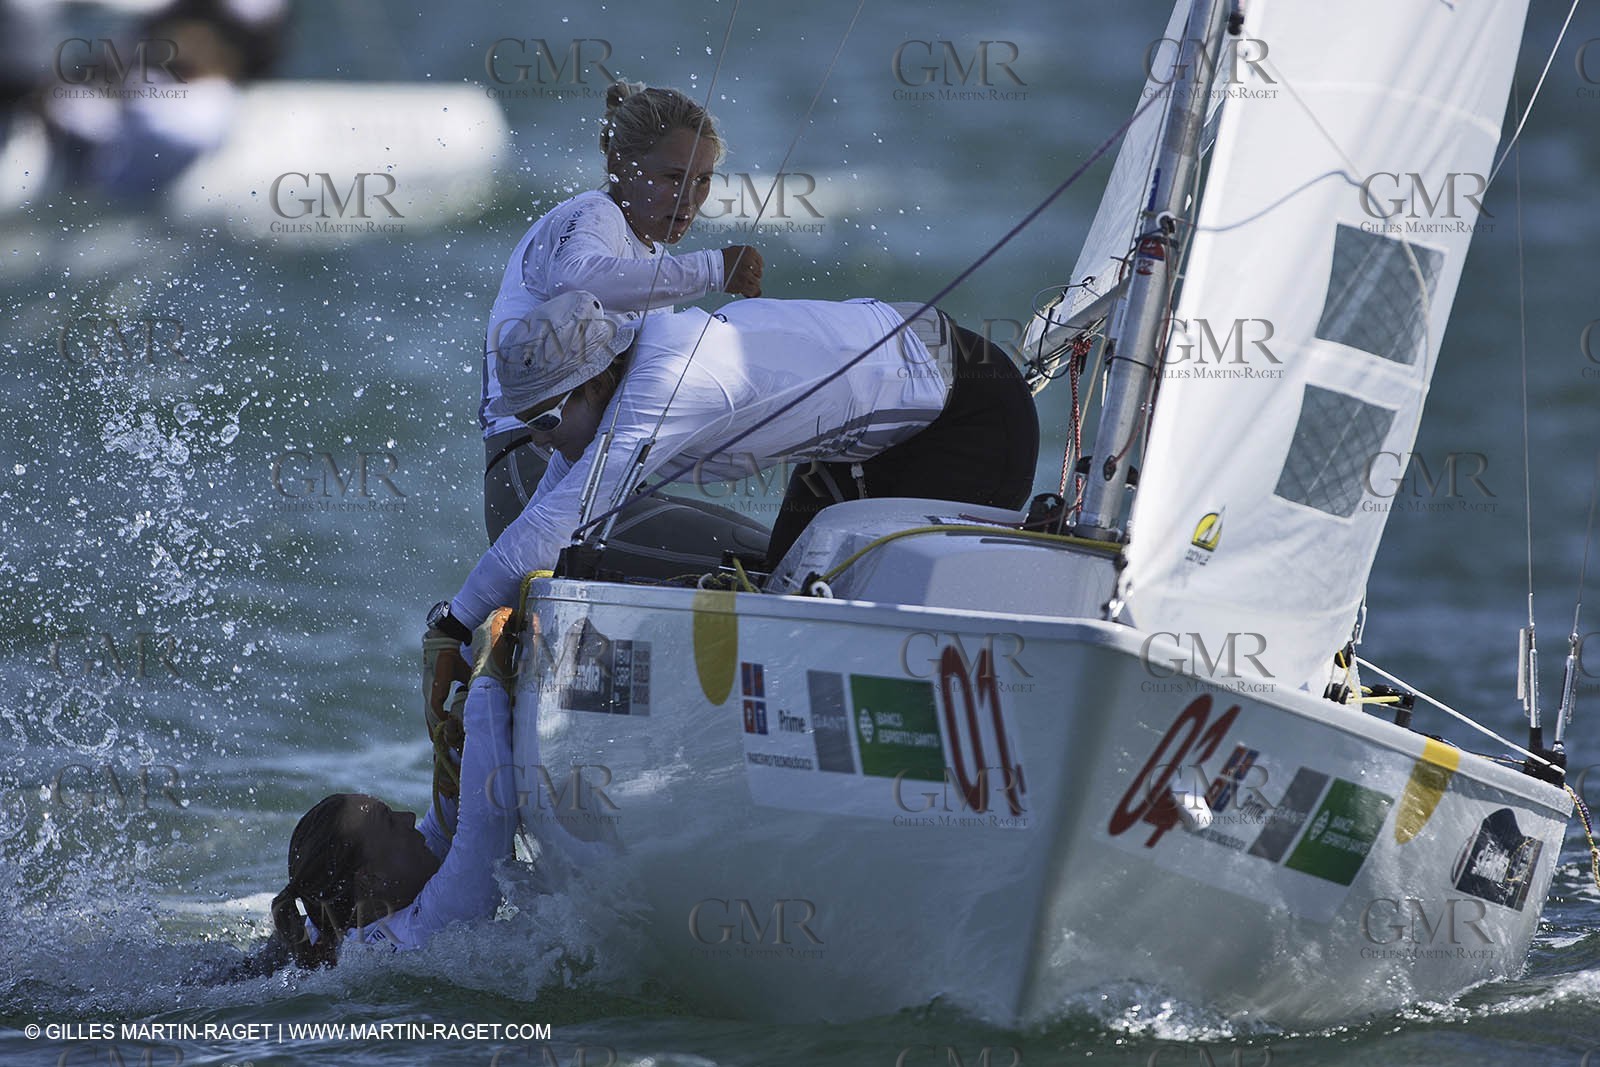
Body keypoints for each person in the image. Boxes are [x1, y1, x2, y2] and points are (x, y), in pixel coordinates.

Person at [424, 289, 1039, 642]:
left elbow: (555, 526)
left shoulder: (665, 383)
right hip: (870, 435)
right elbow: (553, 508)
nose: (539, 443)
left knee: (854, 630)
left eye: (546, 424)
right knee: (786, 607)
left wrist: (452, 627)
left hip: (970, 417)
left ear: (595, 385)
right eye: (525, 425)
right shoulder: (615, 381)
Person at [482, 80, 769, 575]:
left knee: (777, 544)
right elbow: (579, 278)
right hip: (534, 476)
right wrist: (712, 270)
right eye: (671, 176)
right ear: (619, 164)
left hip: (596, 478)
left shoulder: (650, 262)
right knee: (768, 557)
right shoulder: (593, 215)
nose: (689, 198)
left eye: (702, 180)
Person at [235, 607, 520, 974]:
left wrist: (455, 729)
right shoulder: (419, 935)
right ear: (369, 879)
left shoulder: (334, 923)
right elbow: (488, 824)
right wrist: (485, 683)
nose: (408, 818)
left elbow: (444, 828)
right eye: (391, 824)